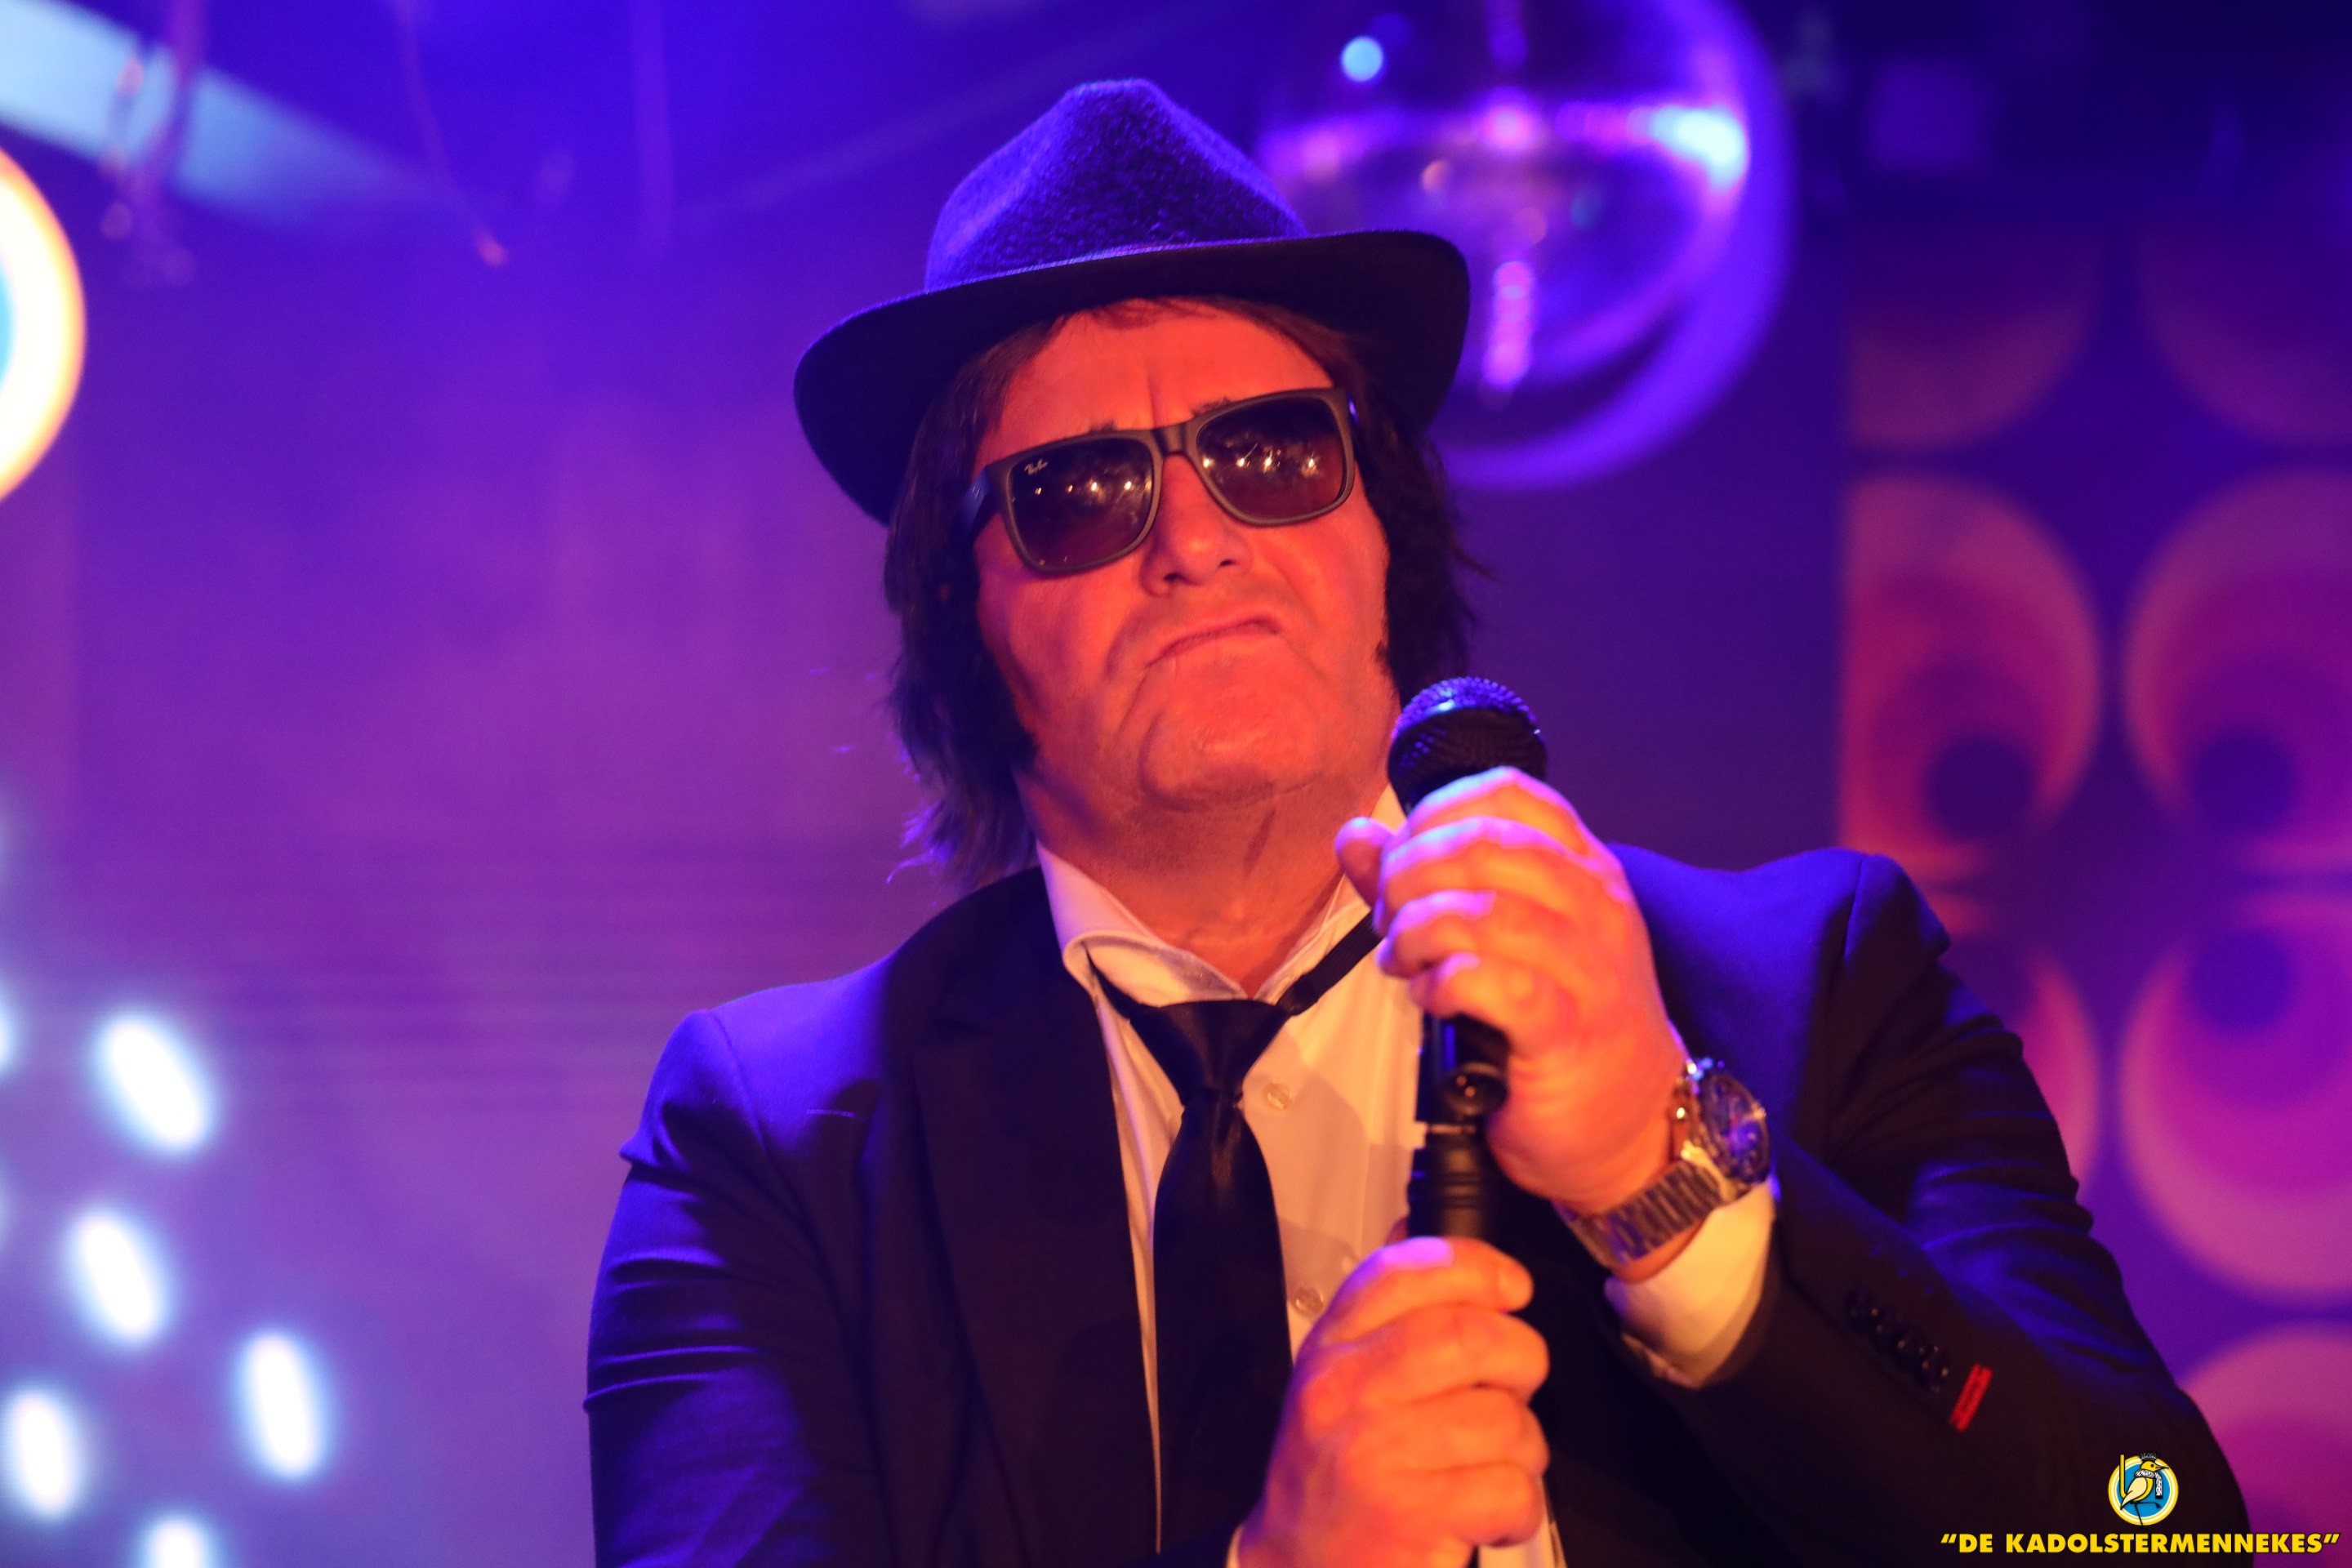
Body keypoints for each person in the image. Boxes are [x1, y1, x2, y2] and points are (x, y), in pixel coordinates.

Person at [586, 80, 2244, 1567]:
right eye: (1080, 492)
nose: (1195, 541)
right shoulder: (776, 1145)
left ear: (1386, 527)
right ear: (964, 613)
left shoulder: (1814, 980)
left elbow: (2146, 1539)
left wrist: (1668, 1180)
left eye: (1271, 451)